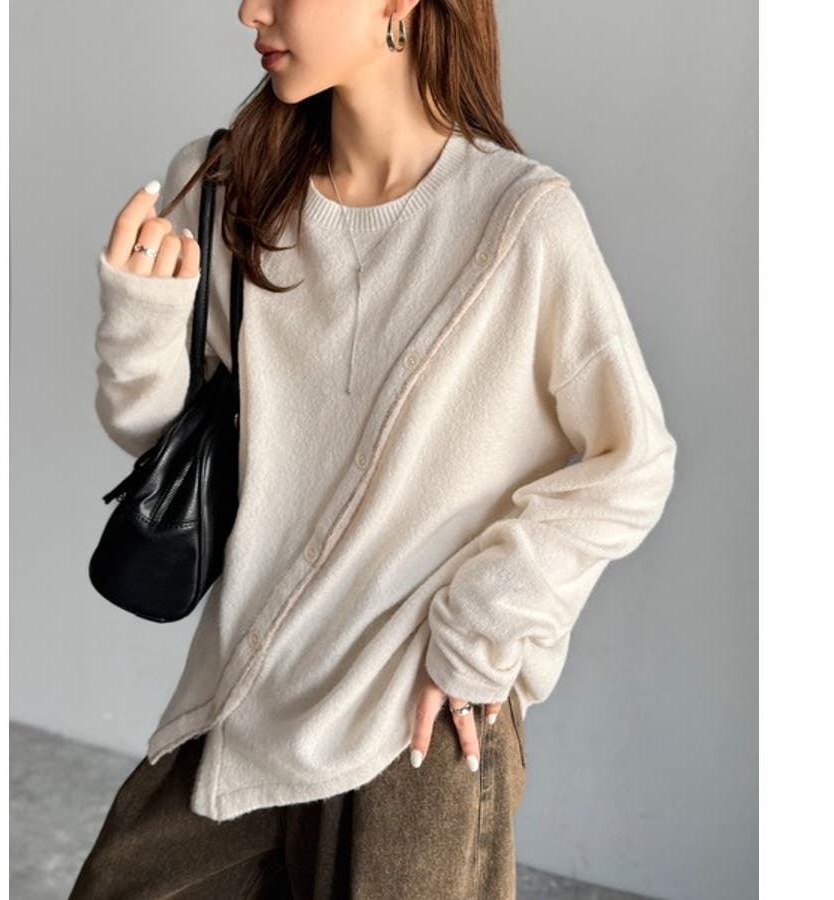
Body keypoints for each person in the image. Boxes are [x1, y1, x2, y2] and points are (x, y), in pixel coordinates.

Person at [70, 1, 677, 897]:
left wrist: (482, 628)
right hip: (247, 696)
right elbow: (170, 452)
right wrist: (140, 319)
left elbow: (633, 463)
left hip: (417, 727)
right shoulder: (228, 185)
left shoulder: (520, 220)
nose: (249, 10)